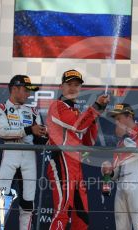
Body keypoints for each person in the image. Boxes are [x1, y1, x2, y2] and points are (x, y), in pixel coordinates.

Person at [46, 69, 110, 230]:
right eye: (69, 85)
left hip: (76, 164)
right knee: (62, 211)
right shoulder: (57, 106)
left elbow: (88, 142)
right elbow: (77, 125)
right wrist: (95, 108)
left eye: (77, 85)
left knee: (82, 216)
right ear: (61, 87)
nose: (73, 88)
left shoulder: (78, 112)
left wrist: (96, 115)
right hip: (61, 160)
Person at [0, 75, 47, 230]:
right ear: (14, 89)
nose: (28, 94)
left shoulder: (33, 111)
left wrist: (44, 138)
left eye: (29, 91)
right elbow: (2, 132)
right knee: (2, 201)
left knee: (28, 204)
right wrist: (29, 130)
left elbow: (38, 138)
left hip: (29, 158)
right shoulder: (0, 108)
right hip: (10, 155)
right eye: (25, 90)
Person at [102, 103, 138, 230]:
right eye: (115, 119)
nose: (116, 122)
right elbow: (115, 175)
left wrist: (126, 136)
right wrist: (108, 172)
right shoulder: (120, 144)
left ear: (129, 117)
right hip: (120, 188)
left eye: (118, 118)